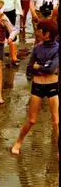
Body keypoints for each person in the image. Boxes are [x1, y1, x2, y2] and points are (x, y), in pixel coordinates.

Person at [11, 19, 58, 160]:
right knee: (31, 120)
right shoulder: (37, 48)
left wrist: (41, 66)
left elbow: (50, 69)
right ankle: (18, 142)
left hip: (53, 86)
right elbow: (30, 68)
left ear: (47, 34)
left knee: (56, 121)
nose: (37, 32)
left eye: (39, 30)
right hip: (37, 86)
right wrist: (43, 68)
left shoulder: (58, 48)